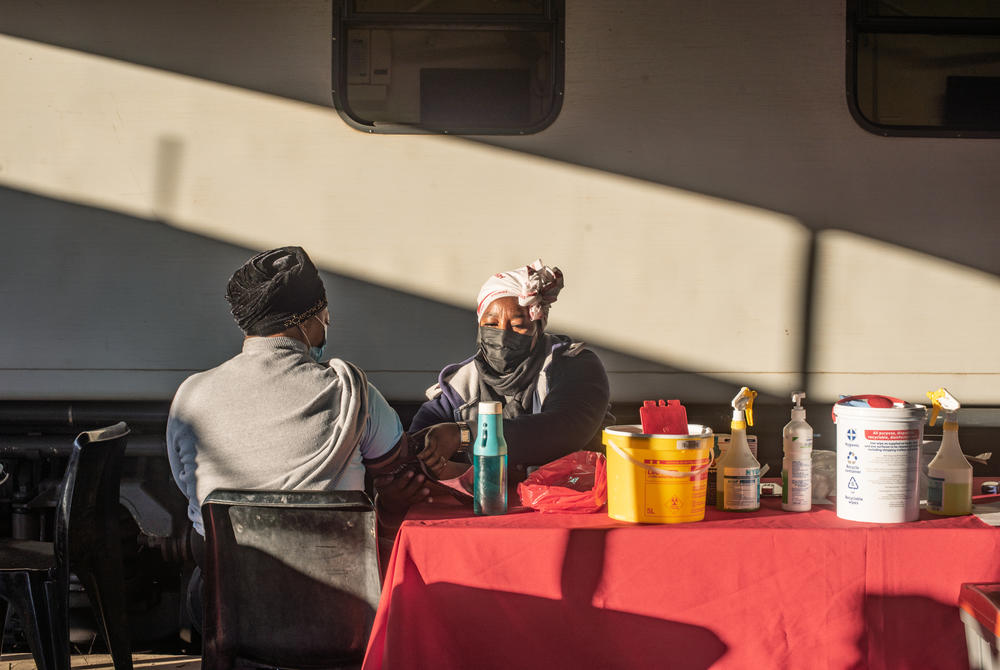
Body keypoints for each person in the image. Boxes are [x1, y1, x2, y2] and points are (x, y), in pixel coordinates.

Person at [166, 247, 447, 625]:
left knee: (202, 582)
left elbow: (189, 489)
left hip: (230, 610)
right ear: (308, 320)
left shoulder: (190, 396)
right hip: (338, 612)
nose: (327, 323)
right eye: (325, 314)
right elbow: (398, 470)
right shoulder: (353, 392)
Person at [410, 259, 613, 481]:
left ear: (538, 327)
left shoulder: (573, 365)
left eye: (518, 326)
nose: (503, 336)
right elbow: (417, 445)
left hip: (572, 504)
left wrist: (465, 434)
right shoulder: (460, 386)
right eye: (491, 325)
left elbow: (563, 430)